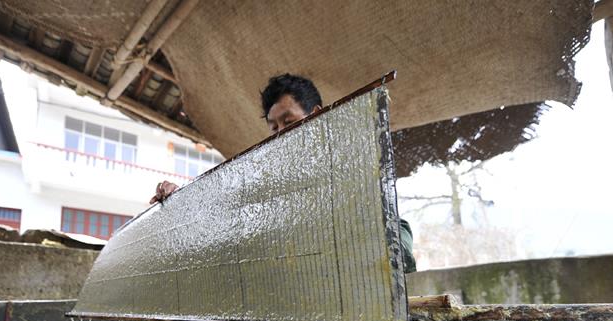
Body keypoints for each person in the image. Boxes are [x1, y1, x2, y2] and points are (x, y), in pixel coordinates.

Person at [149, 73, 416, 272]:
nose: (282, 134)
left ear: (316, 115)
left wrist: (364, 249)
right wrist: (179, 199)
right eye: (274, 128)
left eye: (290, 122)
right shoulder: (266, 182)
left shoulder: (351, 168)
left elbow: (400, 236)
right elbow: (223, 210)